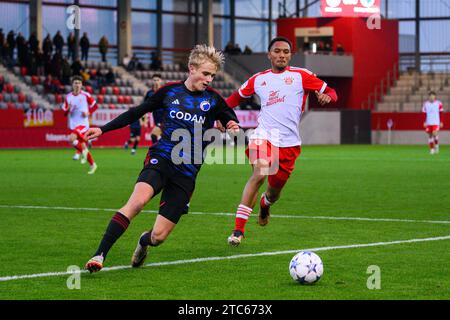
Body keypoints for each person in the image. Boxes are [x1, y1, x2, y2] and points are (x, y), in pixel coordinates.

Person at [83, 44, 239, 273]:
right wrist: (103, 129)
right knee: (136, 203)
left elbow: (229, 119)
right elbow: (136, 112)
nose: (209, 79)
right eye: (206, 74)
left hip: (187, 172)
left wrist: (232, 125)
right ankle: (99, 254)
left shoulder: (214, 100)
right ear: (191, 68)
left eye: (213, 76)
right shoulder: (169, 92)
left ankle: (143, 242)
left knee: (158, 236)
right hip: (161, 158)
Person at [225, 36, 338, 246]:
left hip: (289, 145)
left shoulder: (301, 76)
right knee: (260, 173)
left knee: (273, 193)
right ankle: (238, 230)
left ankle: (265, 205)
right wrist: (220, 116)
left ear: (290, 55)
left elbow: (331, 92)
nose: (281, 55)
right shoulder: (258, 79)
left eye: (286, 52)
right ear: (269, 55)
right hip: (263, 137)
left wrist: (328, 97)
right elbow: (232, 100)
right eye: (277, 51)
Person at [62, 76, 98, 174]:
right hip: (73, 124)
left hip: (83, 124)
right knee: (83, 146)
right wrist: (68, 109)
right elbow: (64, 112)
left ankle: (82, 152)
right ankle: (92, 164)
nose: (77, 84)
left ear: (81, 85)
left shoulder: (86, 95)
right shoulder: (68, 97)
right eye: (75, 83)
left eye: (79, 83)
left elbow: (95, 106)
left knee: (71, 138)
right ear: (72, 85)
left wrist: (88, 113)